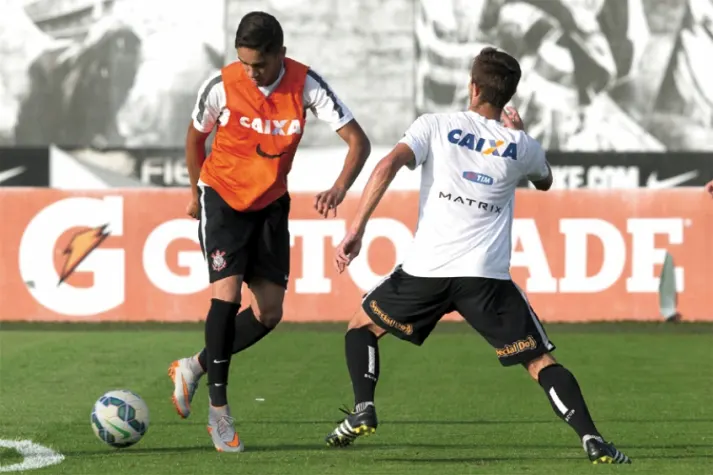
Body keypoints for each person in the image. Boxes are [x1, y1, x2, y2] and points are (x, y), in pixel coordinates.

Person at [323, 47, 631, 465]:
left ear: (472, 87)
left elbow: (388, 165)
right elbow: (545, 181)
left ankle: (365, 407)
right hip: (485, 279)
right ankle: (592, 438)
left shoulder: (434, 125)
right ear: (507, 97)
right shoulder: (521, 146)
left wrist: (357, 228)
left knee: (361, 326)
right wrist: (520, 134)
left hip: (426, 271)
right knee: (539, 360)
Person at [168, 11, 371, 453]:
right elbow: (194, 138)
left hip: (271, 204)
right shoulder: (221, 85)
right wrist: (192, 191)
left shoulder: (306, 84)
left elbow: (359, 141)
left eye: (258, 64)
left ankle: (194, 366)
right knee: (226, 296)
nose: (251, 72)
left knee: (269, 314)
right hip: (222, 197)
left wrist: (340, 187)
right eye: (244, 63)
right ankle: (219, 413)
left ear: (280, 53)